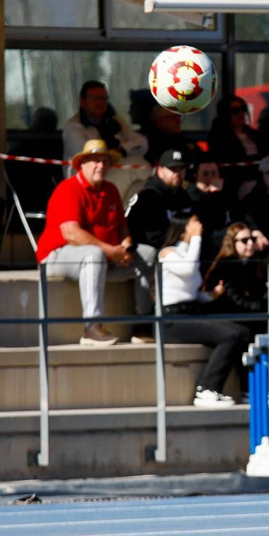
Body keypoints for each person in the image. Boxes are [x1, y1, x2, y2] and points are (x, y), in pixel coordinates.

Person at [36, 139, 134, 347]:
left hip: (107, 257)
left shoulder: (111, 190)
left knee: (151, 255)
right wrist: (111, 251)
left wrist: (126, 245)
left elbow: (122, 227)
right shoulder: (69, 188)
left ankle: (150, 323)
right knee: (94, 255)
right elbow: (72, 234)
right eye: (95, 160)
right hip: (56, 256)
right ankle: (92, 327)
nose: (101, 165)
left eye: (105, 161)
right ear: (82, 164)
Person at [158, 215, 255, 406]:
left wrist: (210, 296)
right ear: (183, 229)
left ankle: (248, 390)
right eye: (194, 225)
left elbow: (189, 291)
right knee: (232, 335)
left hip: (191, 311)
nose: (199, 227)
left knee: (241, 331)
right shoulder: (168, 253)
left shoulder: (186, 253)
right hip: (171, 319)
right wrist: (195, 238)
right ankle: (207, 389)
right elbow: (187, 269)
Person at [127, 149, 198, 314]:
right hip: (142, 251)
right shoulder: (149, 195)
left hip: (172, 248)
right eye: (172, 169)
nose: (177, 173)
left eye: (181, 169)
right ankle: (149, 316)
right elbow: (152, 237)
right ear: (160, 170)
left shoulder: (182, 195)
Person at [204, 222, 269, 317]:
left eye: (253, 239)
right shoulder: (225, 266)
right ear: (232, 242)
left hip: (249, 311)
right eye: (244, 240)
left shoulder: (252, 262)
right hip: (226, 315)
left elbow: (259, 291)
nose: (250, 243)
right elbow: (237, 302)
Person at [207, 96, 262, 193]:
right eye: (235, 111)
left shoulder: (255, 135)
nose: (241, 114)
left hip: (263, 177)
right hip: (237, 183)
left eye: (243, 109)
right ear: (225, 114)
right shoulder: (220, 138)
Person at [60, 81, 125, 160]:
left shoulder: (114, 121)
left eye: (103, 98)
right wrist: (121, 150)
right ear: (83, 102)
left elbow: (140, 142)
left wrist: (123, 149)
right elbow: (89, 156)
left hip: (118, 166)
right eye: (94, 99)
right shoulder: (73, 127)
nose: (100, 102)